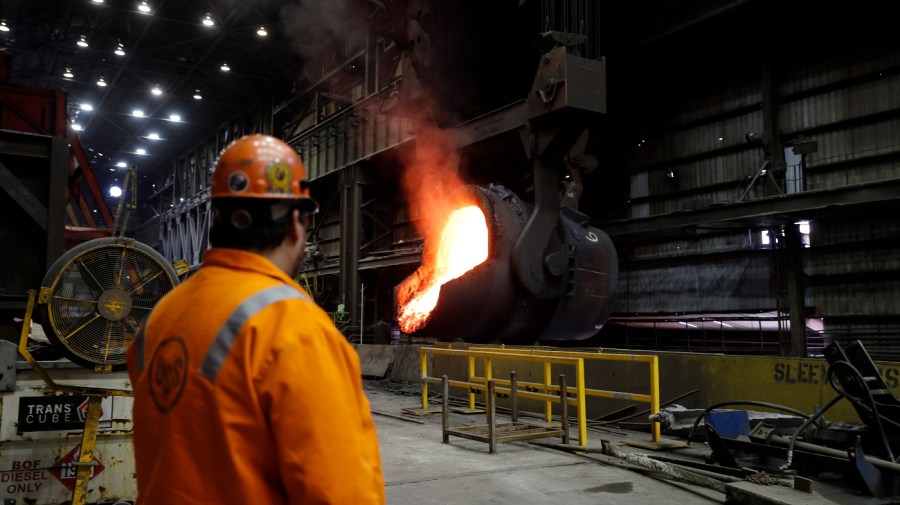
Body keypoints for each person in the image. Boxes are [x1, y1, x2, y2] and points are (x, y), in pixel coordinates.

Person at [126, 134, 385, 504]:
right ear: (298, 224)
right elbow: (340, 493)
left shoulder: (162, 316)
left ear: (217, 219)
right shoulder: (295, 329)